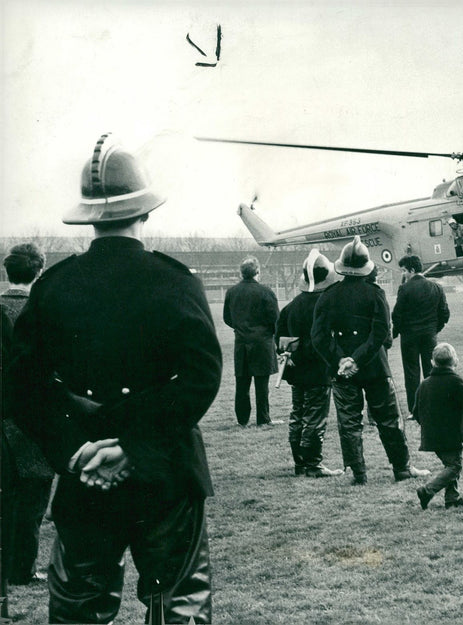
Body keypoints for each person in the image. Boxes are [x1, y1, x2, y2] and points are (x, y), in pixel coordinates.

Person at [7, 133, 222, 623]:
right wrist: (134, 444)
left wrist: (74, 450)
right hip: (167, 471)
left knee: (78, 609)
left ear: (87, 214)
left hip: (85, 473)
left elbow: (22, 386)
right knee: (178, 608)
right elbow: (200, 378)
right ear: (144, 212)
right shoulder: (175, 280)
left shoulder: (53, 287)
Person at [311, 236, 428, 485]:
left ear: (341, 267)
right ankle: (402, 469)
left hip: (342, 371)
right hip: (375, 366)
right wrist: (358, 359)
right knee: (389, 420)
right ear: (366, 267)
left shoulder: (329, 296)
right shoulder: (376, 294)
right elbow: (380, 334)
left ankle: (359, 473)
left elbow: (318, 336)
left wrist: (342, 360)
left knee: (349, 423)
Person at [1, 244, 53, 585]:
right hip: (33, 418)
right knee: (33, 501)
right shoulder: (42, 311)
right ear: (38, 271)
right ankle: (22, 568)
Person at [275, 249, 343, 478]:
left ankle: (300, 463)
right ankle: (313, 464)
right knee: (315, 417)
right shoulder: (328, 304)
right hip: (318, 370)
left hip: (297, 370)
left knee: (298, 415)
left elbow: (279, 339)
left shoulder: (291, 306)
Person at [413, 343, 463, 510]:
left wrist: (428, 425)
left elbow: (415, 411)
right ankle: (427, 490)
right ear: (455, 361)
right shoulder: (455, 381)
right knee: (454, 466)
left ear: (432, 362)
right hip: (450, 435)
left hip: (432, 435)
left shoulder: (424, 384)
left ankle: (452, 498)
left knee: (451, 464)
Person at [223, 256, 282, 427]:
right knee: (261, 383)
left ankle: (242, 419)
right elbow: (275, 319)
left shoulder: (231, 292)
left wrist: (241, 327)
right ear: (258, 272)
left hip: (241, 342)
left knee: (242, 382)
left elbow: (227, 318)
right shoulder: (266, 292)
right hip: (262, 342)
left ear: (241, 273)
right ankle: (263, 418)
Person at [391, 254, 450, 414]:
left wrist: (397, 332)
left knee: (411, 374)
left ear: (411, 270)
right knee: (431, 371)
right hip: (429, 335)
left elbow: (397, 315)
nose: (403, 274)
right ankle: (433, 406)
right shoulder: (436, 288)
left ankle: (415, 409)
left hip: (409, 337)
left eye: (404, 270)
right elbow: (444, 314)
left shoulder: (404, 289)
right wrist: (434, 329)